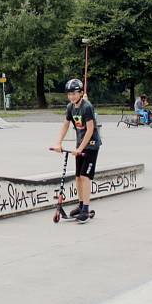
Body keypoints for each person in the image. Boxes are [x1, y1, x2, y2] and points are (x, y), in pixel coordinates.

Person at [52, 78, 102, 223]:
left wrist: (80, 148)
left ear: (81, 93)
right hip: (80, 146)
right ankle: (80, 205)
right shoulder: (70, 107)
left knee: (85, 176)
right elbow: (65, 125)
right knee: (78, 176)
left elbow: (91, 129)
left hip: (91, 145)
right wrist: (58, 143)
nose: (71, 96)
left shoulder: (87, 107)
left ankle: (86, 208)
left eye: (74, 93)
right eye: (69, 94)